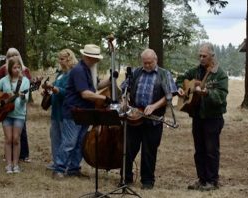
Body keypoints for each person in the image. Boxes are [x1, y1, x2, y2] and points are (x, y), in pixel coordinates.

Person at [121, 49, 177, 190]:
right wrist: (125, 100)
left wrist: (154, 106)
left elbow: (169, 95)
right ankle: (126, 178)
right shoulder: (136, 72)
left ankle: (147, 181)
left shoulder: (164, 74)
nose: (146, 65)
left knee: (149, 151)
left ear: (155, 60)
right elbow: (124, 88)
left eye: (149, 63)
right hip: (134, 117)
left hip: (154, 120)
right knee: (128, 149)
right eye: (144, 63)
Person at [53, 44, 111, 178]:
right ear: (86, 56)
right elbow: (85, 94)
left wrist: (110, 80)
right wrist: (105, 99)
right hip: (74, 111)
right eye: (92, 58)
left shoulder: (88, 69)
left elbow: (96, 86)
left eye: (96, 58)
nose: (95, 61)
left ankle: (74, 169)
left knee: (80, 142)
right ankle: (59, 169)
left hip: (85, 111)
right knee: (69, 142)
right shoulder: (79, 70)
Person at [176, 43, 228, 191]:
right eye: (199, 55)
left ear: (212, 56)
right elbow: (181, 78)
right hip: (198, 116)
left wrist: (207, 93)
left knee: (211, 150)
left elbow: (221, 97)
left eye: (204, 56)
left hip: (213, 118)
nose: (201, 58)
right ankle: (202, 179)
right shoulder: (195, 71)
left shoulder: (220, 74)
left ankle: (212, 181)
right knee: (199, 150)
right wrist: (182, 88)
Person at [0, 56, 30, 173]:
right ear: (10, 69)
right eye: (14, 67)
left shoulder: (25, 81)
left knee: (16, 139)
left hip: (19, 114)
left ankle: (16, 165)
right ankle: (8, 165)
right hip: (6, 114)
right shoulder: (5, 80)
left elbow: (26, 99)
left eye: (19, 67)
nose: (17, 70)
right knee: (8, 139)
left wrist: (22, 97)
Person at [43, 49, 78, 170]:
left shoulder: (72, 74)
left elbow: (68, 92)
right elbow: (55, 89)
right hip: (55, 111)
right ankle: (56, 162)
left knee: (66, 139)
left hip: (65, 111)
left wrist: (55, 89)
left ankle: (65, 164)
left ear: (69, 59)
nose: (60, 61)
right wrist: (48, 91)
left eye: (62, 59)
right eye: (59, 58)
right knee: (55, 137)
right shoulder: (60, 74)